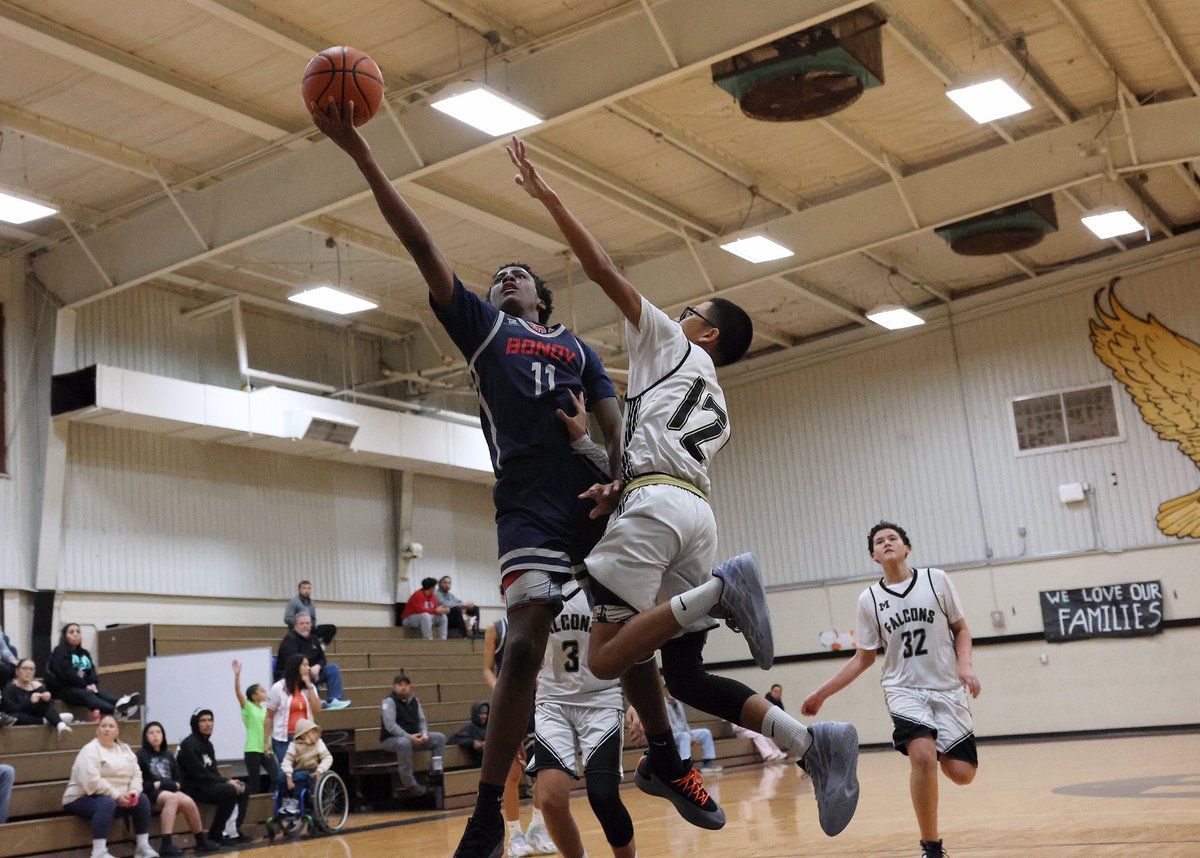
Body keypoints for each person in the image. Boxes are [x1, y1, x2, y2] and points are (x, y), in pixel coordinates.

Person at [507, 135, 861, 838]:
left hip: (663, 512)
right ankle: (810, 744)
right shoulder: (715, 396)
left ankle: (723, 593)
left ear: (706, 331)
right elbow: (655, 450)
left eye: (694, 308)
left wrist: (548, 197)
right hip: (694, 514)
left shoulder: (672, 343)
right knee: (688, 679)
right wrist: (601, 458)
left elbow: (601, 267)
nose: (681, 309)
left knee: (608, 657)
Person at [312, 103, 622, 858]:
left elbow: (620, 440)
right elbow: (419, 240)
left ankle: (673, 755)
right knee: (522, 642)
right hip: (527, 505)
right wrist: (359, 151)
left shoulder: (579, 350)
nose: (504, 278)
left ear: (541, 298)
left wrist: (612, 473)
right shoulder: (487, 328)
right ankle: (487, 812)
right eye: (497, 276)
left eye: (517, 274)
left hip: (592, 496)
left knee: (645, 622)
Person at [802, 522, 982, 858]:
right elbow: (863, 658)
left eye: (892, 538)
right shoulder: (869, 599)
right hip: (904, 690)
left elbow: (962, 630)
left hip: (947, 689)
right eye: (879, 542)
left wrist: (966, 665)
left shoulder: (936, 580)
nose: (886, 543)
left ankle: (934, 741)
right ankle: (931, 846)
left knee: (961, 774)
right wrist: (822, 693)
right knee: (923, 757)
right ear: (874, 556)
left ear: (906, 548)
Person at [527, 587, 635, 858]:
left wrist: (637, 702)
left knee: (604, 796)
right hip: (552, 700)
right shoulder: (540, 585)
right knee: (550, 800)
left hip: (601, 699)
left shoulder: (605, 583)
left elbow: (634, 641)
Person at [481, 607, 551, 857]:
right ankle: (515, 834)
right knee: (512, 773)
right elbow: (488, 668)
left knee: (545, 769)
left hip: (539, 704)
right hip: (509, 704)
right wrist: (502, 690)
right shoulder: (495, 629)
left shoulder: (540, 624)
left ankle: (538, 825)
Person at [61, 714, 159, 858]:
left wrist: (133, 792)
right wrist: (117, 795)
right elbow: (92, 782)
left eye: (111, 726)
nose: (107, 729)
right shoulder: (90, 750)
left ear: (117, 731)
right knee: (106, 803)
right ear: (97, 730)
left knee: (142, 799)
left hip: (115, 798)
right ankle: (99, 852)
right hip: (81, 798)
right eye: (103, 726)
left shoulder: (125, 749)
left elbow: (136, 774)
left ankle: (142, 847)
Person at [136, 721, 220, 855]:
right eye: (151, 733)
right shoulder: (141, 756)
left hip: (168, 788)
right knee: (172, 798)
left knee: (188, 802)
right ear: (145, 736)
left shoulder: (168, 755)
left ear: (163, 735)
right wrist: (158, 785)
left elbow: (178, 781)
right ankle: (166, 844)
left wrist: (165, 784)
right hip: (151, 791)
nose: (155, 735)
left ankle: (200, 840)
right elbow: (140, 782)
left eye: (158, 732)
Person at [176, 708, 252, 848]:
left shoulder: (208, 745)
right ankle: (216, 833)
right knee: (229, 790)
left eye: (210, 720)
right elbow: (198, 774)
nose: (208, 724)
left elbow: (212, 772)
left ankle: (234, 831)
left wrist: (229, 780)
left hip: (206, 784)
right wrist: (226, 781)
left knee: (243, 787)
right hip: (192, 787)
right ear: (195, 723)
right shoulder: (189, 744)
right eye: (203, 721)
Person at [45, 624, 139, 720]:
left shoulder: (84, 653)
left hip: (83, 687)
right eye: (71, 632)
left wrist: (93, 683)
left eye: (78, 632)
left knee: (99, 691)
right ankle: (115, 711)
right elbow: (66, 673)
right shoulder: (60, 651)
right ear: (65, 636)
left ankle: (121, 703)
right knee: (87, 694)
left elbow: (91, 670)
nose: (75, 634)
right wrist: (85, 686)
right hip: (64, 688)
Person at [380, 673, 446, 797]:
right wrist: (409, 736)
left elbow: (422, 720)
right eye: (400, 685)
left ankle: (435, 772)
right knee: (404, 743)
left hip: (413, 738)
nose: (403, 687)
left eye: (406, 685)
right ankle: (410, 783)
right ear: (394, 687)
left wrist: (424, 734)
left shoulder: (414, 700)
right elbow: (390, 726)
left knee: (439, 738)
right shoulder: (389, 702)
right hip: (391, 740)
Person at [274, 612, 351, 710]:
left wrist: (318, 666)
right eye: (302, 624)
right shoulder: (290, 640)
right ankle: (315, 700)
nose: (305, 626)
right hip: (293, 676)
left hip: (313, 672)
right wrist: (310, 670)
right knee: (303, 674)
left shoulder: (314, 639)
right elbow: (295, 665)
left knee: (332, 669)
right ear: (296, 625)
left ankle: (334, 699)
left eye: (307, 623)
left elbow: (323, 659)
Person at [265, 654, 323, 763]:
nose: (309, 668)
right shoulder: (278, 687)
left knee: (307, 769)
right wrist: (266, 741)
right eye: (305, 665)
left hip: (306, 737)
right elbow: (269, 716)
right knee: (287, 771)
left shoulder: (310, 688)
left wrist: (309, 686)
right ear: (296, 667)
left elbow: (317, 710)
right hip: (284, 738)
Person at [233, 660, 280, 793]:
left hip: (266, 749)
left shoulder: (266, 710)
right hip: (252, 749)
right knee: (255, 782)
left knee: (277, 777)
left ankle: (271, 804)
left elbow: (268, 728)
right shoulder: (248, 707)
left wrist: (268, 742)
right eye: (261, 691)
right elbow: (238, 693)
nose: (265, 693)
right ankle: (254, 810)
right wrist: (237, 675)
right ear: (254, 696)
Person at [2, 658, 74, 736]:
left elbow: (47, 707)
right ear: (17, 671)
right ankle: (52, 720)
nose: (28, 671)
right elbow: (10, 710)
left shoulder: (37, 687)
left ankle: (60, 725)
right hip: (22, 716)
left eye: (31, 669)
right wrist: (30, 702)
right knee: (13, 717)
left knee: (45, 704)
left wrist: (48, 699)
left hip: (37, 713)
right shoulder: (9, 688)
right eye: (24, 668)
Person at [279, 718, 332, 810]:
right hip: (296, 770)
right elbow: (287, 761)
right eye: (312, 732)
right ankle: (285, 801)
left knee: (300, 776)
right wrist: (288, 777)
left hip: (312, 771)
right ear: (303, 734)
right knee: (280, 776)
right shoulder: (294, 745)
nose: (316, 735)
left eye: (316, 732)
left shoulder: (319, 743)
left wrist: (319, 771)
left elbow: (328, 758)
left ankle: (295, 802)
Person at [664, 691, 722, 774]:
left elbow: (684, 722)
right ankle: (685, 765)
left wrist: (691, 735)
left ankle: (708, 761)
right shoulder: (663, 706)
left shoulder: (678, 704)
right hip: (672, 735)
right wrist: (687, 735)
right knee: (685, 736)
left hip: (684, 733)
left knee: (705, 732)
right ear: (665, 692)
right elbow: (669, 726)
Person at [284, 580, 337, 645]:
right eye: (304, 588)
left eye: (309, 588)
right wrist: (301, 623)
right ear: (299, 590)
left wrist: (311, 624)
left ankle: (321, 646)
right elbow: (287, 619)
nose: (307, 590)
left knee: (331, 628)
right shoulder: (293, 602)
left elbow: (313, 619)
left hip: (310, 629)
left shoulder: (312, 603)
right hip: (298, 631)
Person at [451, 701, 489, 767]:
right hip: (478, 763)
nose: (484, 716)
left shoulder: (490, 727)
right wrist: (473, 743)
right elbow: (454, 740)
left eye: (486, 714)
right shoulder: (470, 727)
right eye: (481, 714)